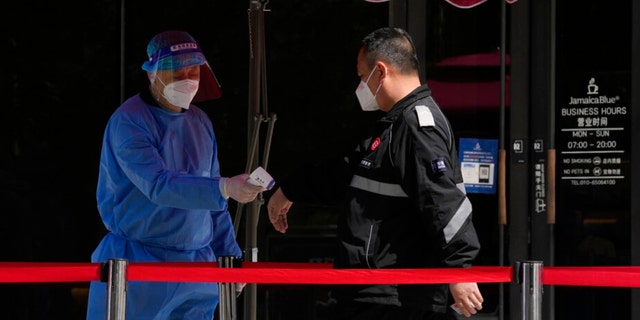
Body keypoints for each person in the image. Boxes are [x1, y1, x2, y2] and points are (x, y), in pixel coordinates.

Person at [267, 27, 483, 319]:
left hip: (395, 297)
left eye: (361, 76)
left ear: (380, 71)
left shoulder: (417, 126)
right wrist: (290, 189)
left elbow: (441, 200)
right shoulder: (395, 125)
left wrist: (459, 267)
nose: (361, 86)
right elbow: (346, 174)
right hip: (374, 290)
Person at [86, 30, 264, 320]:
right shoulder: (129, 121)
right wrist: (225, 188)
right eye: (176, 70)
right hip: (138, 265)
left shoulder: (200, 121)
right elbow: (159, 185)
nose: (187, 78)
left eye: (193, 70)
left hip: (197, 268)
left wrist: (230, 257)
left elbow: (213, 201)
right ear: (151, 74)